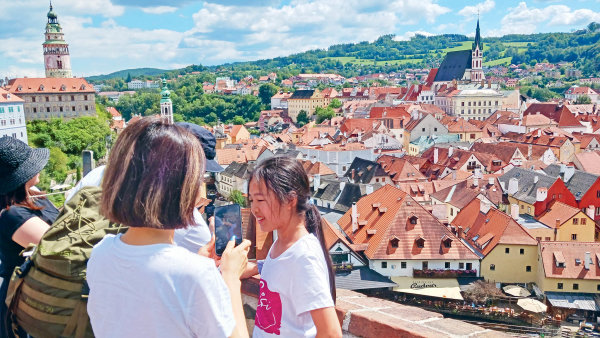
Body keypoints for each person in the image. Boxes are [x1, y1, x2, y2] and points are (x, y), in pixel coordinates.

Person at [87, 117, 250, 338]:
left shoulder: (101, 253)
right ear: (183, 187)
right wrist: (230, 277)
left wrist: (199, 262)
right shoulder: (195, 274)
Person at [65, 122, 224, 253]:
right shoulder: (185, 217)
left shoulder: (99, 173)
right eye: (199, 170)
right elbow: (214, 263)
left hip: (68, 274)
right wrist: (214, 238)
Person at [247, 157, 342, 337]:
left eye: (260, 200)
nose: (254, 209)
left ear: (290, 200)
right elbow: (284, 273)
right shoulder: (282, 244)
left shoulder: (304, 257)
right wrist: (256, 267)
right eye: (251, 200)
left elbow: (331, 333)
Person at [0, 136, 59, 335]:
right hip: (23, 301)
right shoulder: (12, 214)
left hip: (38, 293)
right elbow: (57, 245)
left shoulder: (32, 194)